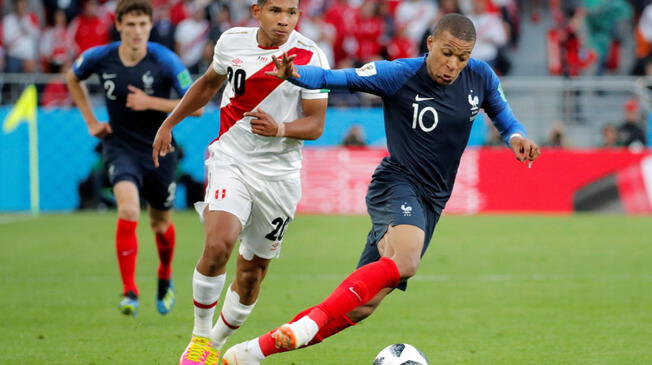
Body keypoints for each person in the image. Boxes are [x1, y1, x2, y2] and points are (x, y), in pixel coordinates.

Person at [221, 13, 540, 365]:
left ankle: (252, 352)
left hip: (432, 201)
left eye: (462, 58)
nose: (453, 65)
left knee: (363, 306)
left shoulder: (480, 75)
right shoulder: (400, 74)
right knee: (406, 260)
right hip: (397, 183)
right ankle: (308, 325)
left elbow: (502, 113)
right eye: (447, 53)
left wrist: (516, 136)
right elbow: (336, 78)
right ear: (430, 43)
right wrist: (296, 73)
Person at [150, 0, 329, 364]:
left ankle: (215, 345)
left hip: (279, 177)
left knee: (251, 276)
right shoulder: (231, 43)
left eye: (291, 12)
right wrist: (170, 122)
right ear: (256, 11)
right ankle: (199, 338)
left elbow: (315, 124)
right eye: (276, 10)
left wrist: (280, 128)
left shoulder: (310, 55)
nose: (284, 20)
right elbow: (207, 84)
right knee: (218, 244)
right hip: (232, 159)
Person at [66, 0, 199, 317]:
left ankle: (164, 277)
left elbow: (197, 107)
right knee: (127, 208)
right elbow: (73, 77)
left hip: (160, 149)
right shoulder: (101, 57)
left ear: (150, 26)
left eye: (143, 24)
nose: (137, 31)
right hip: (120, 147)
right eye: (131, 24)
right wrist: (90, 121)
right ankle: (130, 291)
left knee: (159, 222)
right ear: (119, 24)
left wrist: (150, 102)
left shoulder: (165, 60)